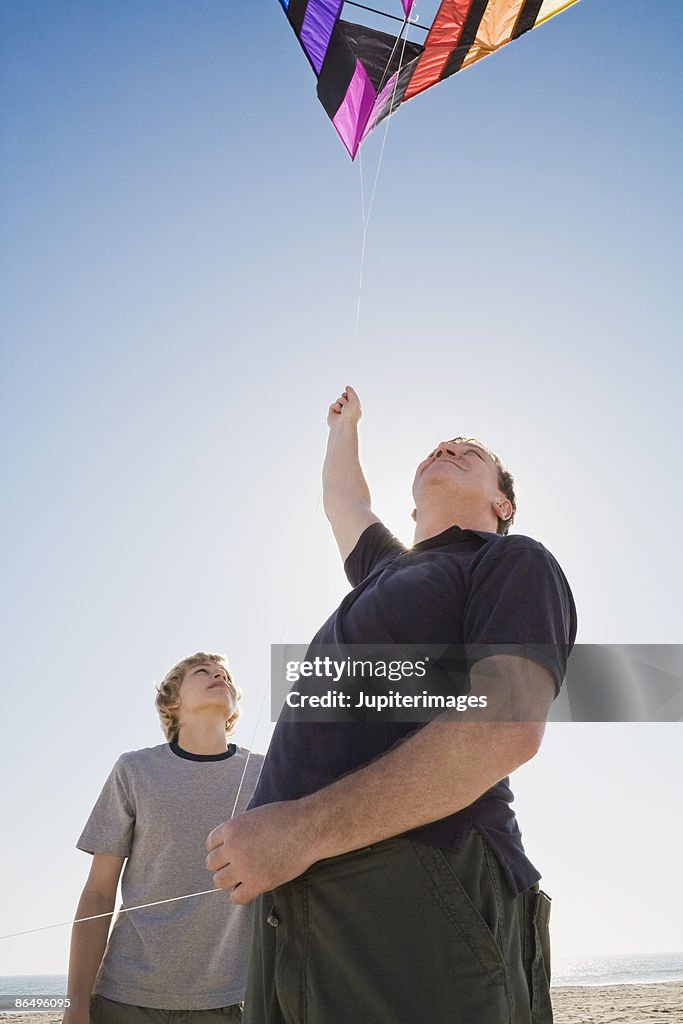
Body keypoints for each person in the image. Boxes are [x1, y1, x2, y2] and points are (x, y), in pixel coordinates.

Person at [205, 387, 577, 1024]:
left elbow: (505, 726)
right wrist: (344, 427)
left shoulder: (512, 559)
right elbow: (343, 501)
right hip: (295, 893)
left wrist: (299, 830)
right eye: (437, 446)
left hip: (421, 877)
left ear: (502, 501)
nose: (447, 447)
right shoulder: (387, 569)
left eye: (471, 451)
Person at [64, 652, 263, 1024]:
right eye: (202, 672)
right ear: (173, 702)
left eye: (225, 674)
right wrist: (76, 1004)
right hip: (125, 997)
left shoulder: (267, 773)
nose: (219, 675)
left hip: (228, 1001)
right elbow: (98, 892)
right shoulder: (135, 770)